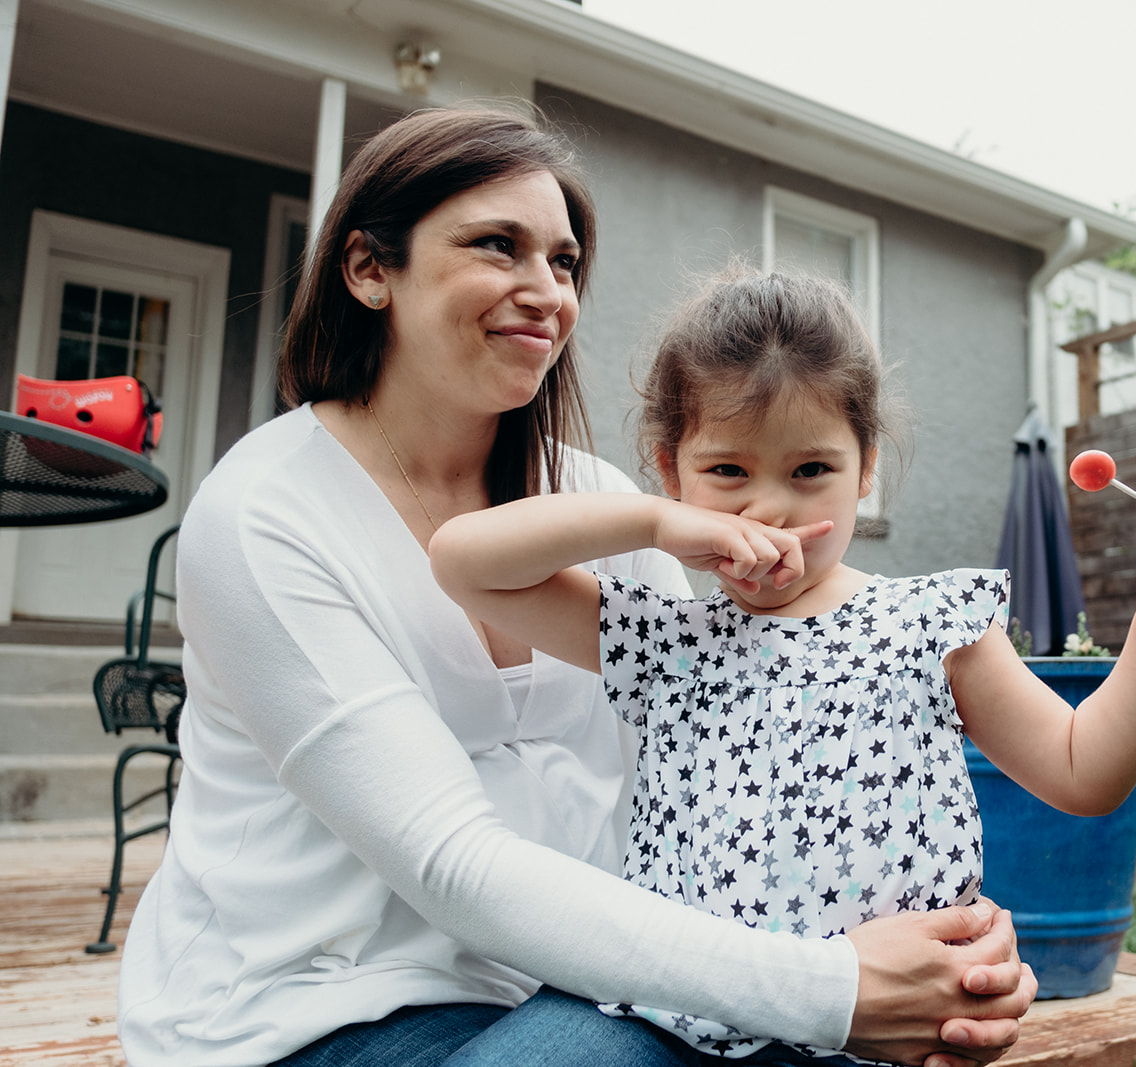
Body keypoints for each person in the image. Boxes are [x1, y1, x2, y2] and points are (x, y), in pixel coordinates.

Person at [116, 106, 1037, 1067]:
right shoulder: (266, 513)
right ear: (368, 269)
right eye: (497, 246)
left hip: (590, 991)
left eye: (564, 262)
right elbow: (453, 865)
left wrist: (939, 951)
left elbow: (762, 749)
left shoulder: (595, 501)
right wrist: (837, 989)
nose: (545, 291)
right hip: (313, 1015)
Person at [428, 269, 1136, 1065]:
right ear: (668, 465)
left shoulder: (935, 624)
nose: (771, 507)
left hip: (873, 1035)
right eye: (727, 471)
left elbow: (1086, 771)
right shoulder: (663, 638)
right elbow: (463, 560)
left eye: (810, 470)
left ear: (866, 468)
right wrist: (653, 521)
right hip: (662, 1021)